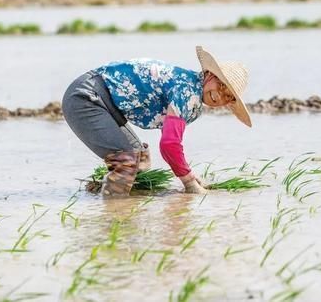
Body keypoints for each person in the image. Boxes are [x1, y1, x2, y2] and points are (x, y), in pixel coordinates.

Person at [62, 46, 252, 196]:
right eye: (221, 86)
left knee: (139, 156)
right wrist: (188, 182)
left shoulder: (190, 89)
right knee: (126, 162)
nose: (220, 96)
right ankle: (114, 217)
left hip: (102, 99)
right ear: (210, 75)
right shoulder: (187, 91)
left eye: (228, 97)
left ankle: (117, 201)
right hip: (87, 97)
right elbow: (169, 144)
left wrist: (190, 175)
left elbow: (169, 140)